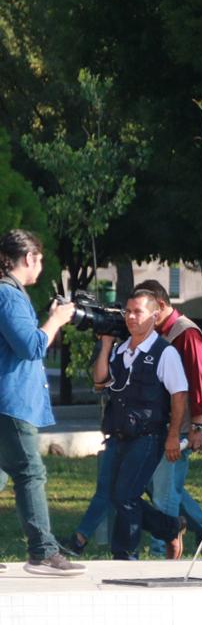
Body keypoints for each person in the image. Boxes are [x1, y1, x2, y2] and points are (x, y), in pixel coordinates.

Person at [0, 229, 83, 576]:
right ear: (28, 257)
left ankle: (43, 551)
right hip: (11, 401)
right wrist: (57, 319)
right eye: (40, 259)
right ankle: (43, 553)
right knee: (30, 473)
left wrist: (50, 321)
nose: (41, 265)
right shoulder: (8, 295)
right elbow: (31, 347)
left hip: (9, 399)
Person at [91, 289, 190, 560]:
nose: (131, 317)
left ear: (154, 316)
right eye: (128, 311)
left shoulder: (164, 353)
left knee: (125, 495)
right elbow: (99, 381)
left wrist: (173, 435)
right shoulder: (121, 350)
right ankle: (170, 528)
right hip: (118, 434)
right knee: (116, 496)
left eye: (138, 312)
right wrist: (107, 345)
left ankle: (125, 557)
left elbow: (179, 395)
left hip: (148, 436)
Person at [135, 279, 202, 554]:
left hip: (182, 427)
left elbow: (200, 381)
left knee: (165, 491)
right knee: (157, 484)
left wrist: (197, 426)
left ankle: (162, 549)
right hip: (164, 424)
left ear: (159, 305)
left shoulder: (186, 333)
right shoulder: (159, 332)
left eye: (146, 309)